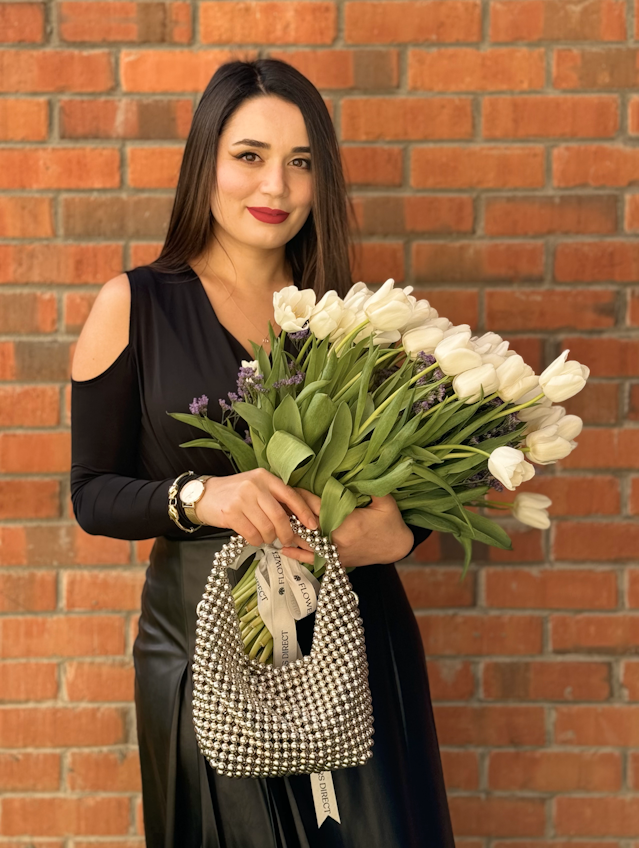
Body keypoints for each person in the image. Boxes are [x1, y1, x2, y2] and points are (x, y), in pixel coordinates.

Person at [70, 56, 455, 848]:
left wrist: (403, 535)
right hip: (202, 652)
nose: (274, 187)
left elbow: (413, 490)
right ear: (205, 163)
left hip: (352, 647)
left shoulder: (354, 322)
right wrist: (198, 497)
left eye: (301, 162)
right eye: (249, 156)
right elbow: (91, 492)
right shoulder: (134, 306)